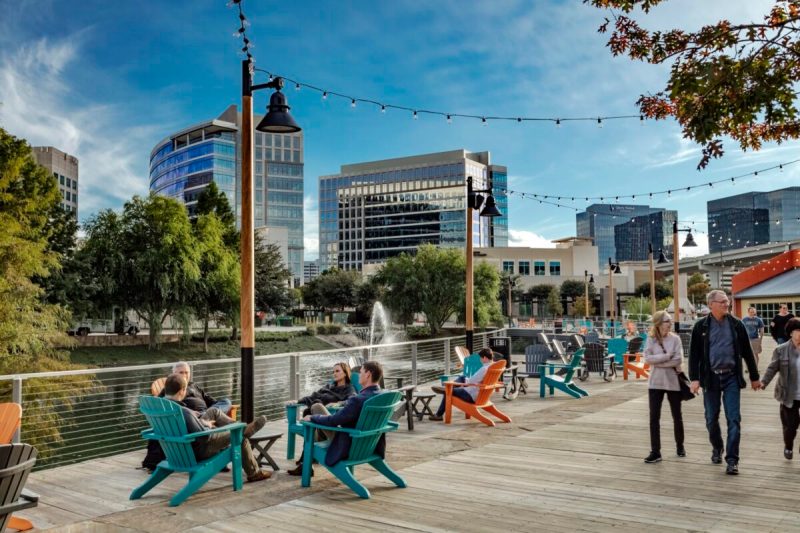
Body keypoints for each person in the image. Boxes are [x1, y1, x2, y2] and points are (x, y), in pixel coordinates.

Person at [689, 289, 761, 475]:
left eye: (727, 301)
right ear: (711, 304)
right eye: (722, 302)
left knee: (734, 419)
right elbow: (694, 355)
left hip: (731, 378)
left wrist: (754, 377)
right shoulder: (701, 327)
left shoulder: (737, 325)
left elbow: (747, 352)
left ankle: (732, 460)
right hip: (710, 378)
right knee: (711, 419)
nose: (726, 304)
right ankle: (717, 447)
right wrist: (694, 379)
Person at [162, 374, 272, 482]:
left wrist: (199, 420)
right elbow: (205, 437)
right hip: (197, 451)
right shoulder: (184, 412)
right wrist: (206, 425)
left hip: (179, 449)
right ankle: (254, 472)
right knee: (239, 438)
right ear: (182, 390)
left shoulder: (163, 408)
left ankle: (240, 427)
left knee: (213, 411)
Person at [300, 361, 386, 476]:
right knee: (317, 420)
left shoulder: (358, 400)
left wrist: (313, 417)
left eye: (360, 372)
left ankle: (305, 464)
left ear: (368, 374)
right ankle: (304, 464)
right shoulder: (381, 396)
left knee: (312, 426)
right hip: (371, 444)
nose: (359, 375)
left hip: (350, 444)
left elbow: (334, 421)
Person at [286, 362, 356, 476]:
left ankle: (306, 461)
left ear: (345, 373)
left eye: (337, 371)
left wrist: (337, 403)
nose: (334, 373)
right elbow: (313, 396)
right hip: (317, 422)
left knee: (314, 407)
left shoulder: (348, 389)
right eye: (333, 371)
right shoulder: (329, 386)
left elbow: (352, 400)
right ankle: (306, 463)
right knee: (313, 406)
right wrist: (298, 401)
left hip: (329, 425)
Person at [642, 311, 685, 463]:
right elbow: (647, 359)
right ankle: (655, 451)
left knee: (677, 416)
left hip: (673, 382)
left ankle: (680, 445)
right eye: (667, 321)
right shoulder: (651, 339)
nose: (670, 323)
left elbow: (678, 359)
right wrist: (666, 357)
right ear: (659, 323)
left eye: (670, 321)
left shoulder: (675, 339)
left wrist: (658, 361)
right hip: (655, 383)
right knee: (654, 418)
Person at [759, 318, 800, 460]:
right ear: (790, 333)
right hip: (788, 394)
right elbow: (772, 368)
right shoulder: (781, 350)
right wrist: (763, 382)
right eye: (798, 331)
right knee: (790, 427)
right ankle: (788, 446)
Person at [429, 348, 495, 422]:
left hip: (471, 394)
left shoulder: (484, 369)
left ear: (485, 358)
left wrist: (463, 384)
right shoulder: (494, 367)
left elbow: (471, 381)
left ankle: (438, 414)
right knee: (463, 377)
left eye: (480, 358)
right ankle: (448, 387)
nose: (480, 360)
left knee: (448, 392)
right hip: (483, 394)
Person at [159, 362, 233, 415]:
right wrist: (190, 413)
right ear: (174, 373)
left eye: (186, 372)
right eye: (181, 372)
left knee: (226, 401)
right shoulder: (172, 388)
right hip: (196, 417)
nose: (184, 375)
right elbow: (160, 403)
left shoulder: (194, 385)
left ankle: (211, 414)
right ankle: (211, 415)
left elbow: (210, 400)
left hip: (207, 412)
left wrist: (216, 407)